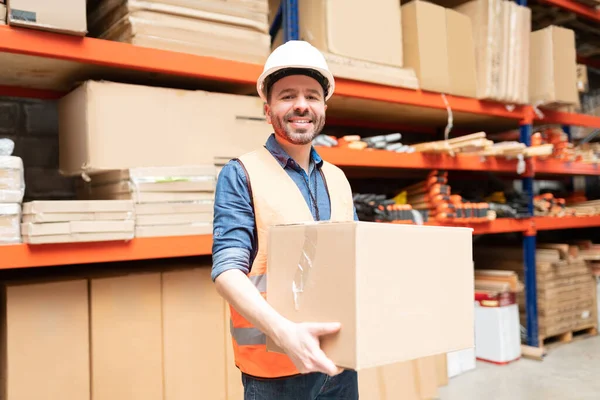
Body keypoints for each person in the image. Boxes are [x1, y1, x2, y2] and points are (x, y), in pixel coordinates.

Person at [211, 40, 359, 399]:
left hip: (340, 363)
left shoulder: (338, 178)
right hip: (275, 370)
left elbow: (357, 262)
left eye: (311, 95)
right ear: (268, 109)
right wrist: (284, 333)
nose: (301, 105)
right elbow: (227, 270)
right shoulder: (241, 173)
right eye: (287, 95)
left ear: (324, 108)